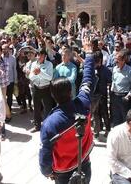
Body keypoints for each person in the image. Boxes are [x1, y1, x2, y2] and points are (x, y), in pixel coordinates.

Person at [39, 37, 95, 184]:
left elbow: (45, 153)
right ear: (71, 92)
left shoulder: (49, 124)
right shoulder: (83, 103)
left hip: (63, 173)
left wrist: (47, 171)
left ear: (53, 95)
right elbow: (88, 79)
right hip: (84, 163)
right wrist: (89, 55)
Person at [28, 49, 54, 132]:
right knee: (36, 108)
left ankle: (48, 126)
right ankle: (37, 126)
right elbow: (31, 77)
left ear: (45, 56)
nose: (39, 57)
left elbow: (49, 77)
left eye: (41, 55)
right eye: (38, 55)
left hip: (46, 88)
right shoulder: (33, 64)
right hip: (36, 88)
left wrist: (39, 73)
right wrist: (36, 74)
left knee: (48, 108)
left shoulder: (49, 64)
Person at [110, 50, 131, 127]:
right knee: (116, 118)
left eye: (118, 59)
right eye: (115, 59)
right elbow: (113, 81)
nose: (116, 61)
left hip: (124, 98)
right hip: (115, 96)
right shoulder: (114, 69)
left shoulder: (130, 71)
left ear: (123, 60)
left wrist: (128, 96)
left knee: (125, 118)